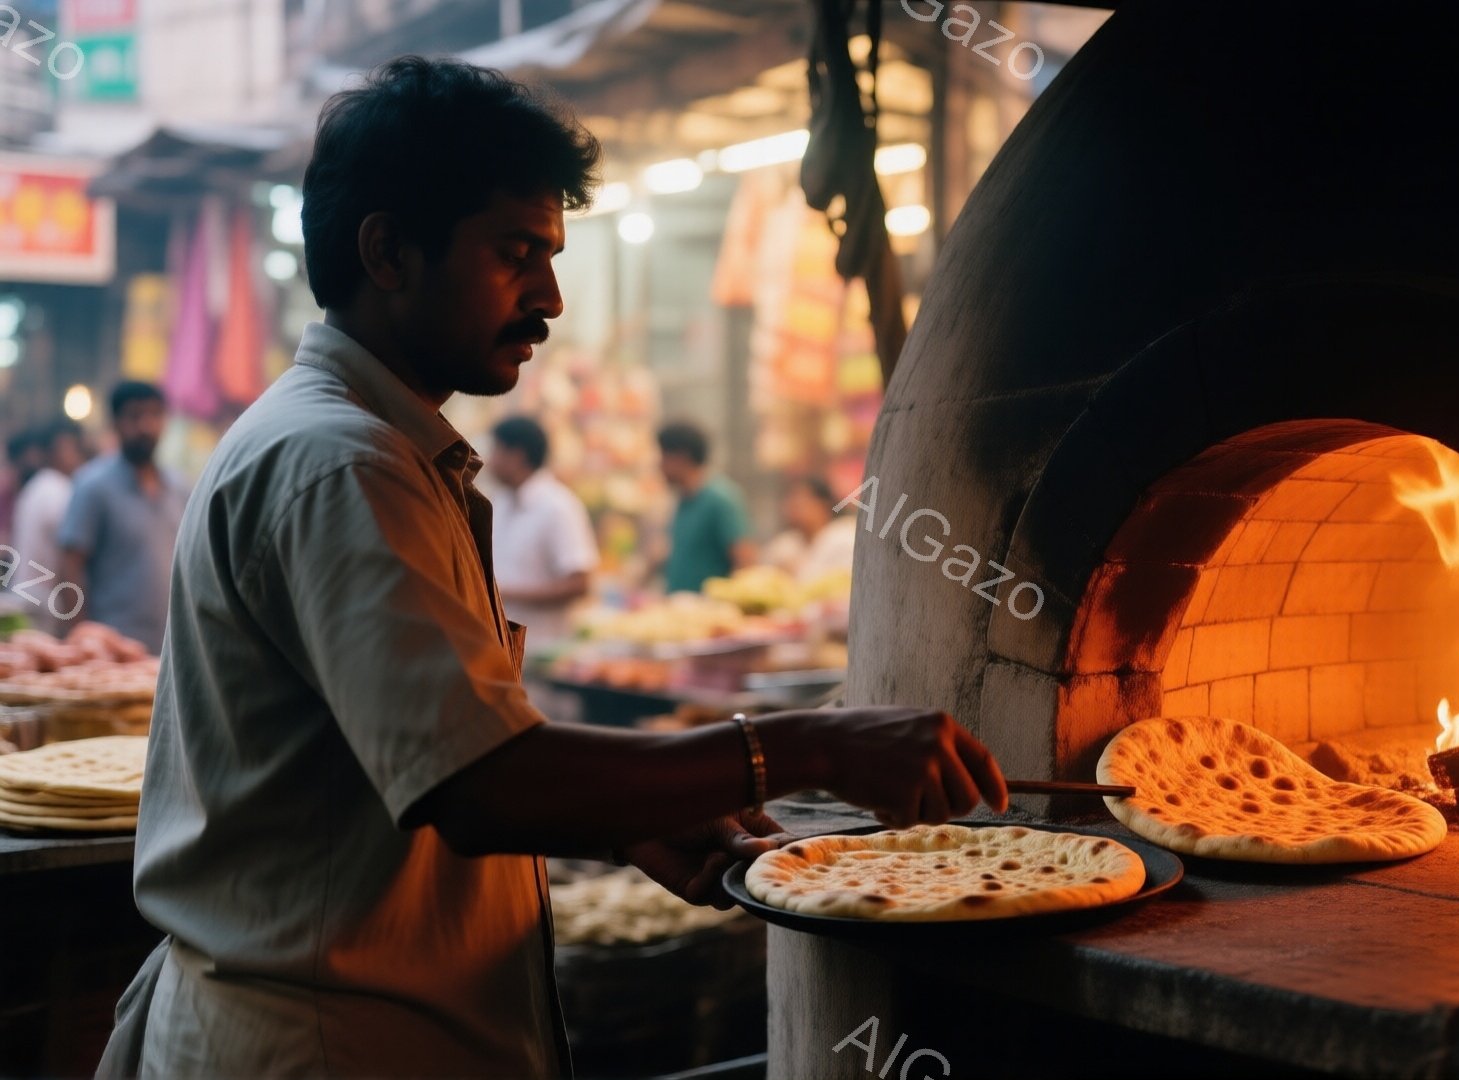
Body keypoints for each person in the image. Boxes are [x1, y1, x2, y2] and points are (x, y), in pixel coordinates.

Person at [100, 56, 1006, 1080]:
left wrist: (628, 822)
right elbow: (481, 784)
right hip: (329, 1045)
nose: (551, 298)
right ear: (389, 251)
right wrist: (809, 747)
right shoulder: (339, 464)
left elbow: (442, 749)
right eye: (514, 252)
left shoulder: (378, 449)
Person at [57, 383, 186, 653]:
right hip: (109, 649)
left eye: (154, 415)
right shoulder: (92, 486)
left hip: (169, 647)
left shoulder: (179, 488)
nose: (146, 426)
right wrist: (80, 638)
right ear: (115, 423)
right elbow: (70, 566)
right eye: (135, 416)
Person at [487, 414, 597, 653]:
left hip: (543, 651)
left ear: (516, 455)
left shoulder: (558, 506)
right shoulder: (501, 503)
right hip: (499, 648)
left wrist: (501, 593)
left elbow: (579, 583)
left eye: (495, 450)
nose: (489, 459)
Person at [657, 419, 754, 593]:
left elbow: (744, 561)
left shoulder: (721, 499)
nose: (660, 465)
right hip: (681, 611)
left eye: (664, 456)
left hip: (710, 614)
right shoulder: (683, 501)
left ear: (681, 456)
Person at [12, 420, 85, 627]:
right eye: (70, 448)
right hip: (44, 603)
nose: (75, 455)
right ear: (52, 451)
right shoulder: (56, 488)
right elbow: (69, 552)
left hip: (28, 596)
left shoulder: (37, 485)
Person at [765, 475, 859, 585]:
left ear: (823, 505)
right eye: (790, 501)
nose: (793, 508)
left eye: (801, 502)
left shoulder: (844, 536)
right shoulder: (785, 543)